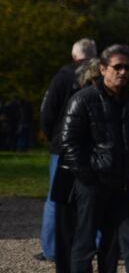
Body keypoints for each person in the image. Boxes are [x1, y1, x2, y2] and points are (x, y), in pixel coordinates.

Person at [58, 44, 129, 273]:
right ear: (103, 68)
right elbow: (68, 143)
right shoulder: (83, 99)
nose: (123, 72)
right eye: (117, 67)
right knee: (85, 244)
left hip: (125, 184)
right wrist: (88, 175)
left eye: (127, 67)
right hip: (93, 184)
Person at [41, 37, 96, 264]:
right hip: (92, 146)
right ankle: (97, 246)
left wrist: (50, 135)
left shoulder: (62, 76)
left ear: (74, 55)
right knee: (96, 197)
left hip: (62, 144)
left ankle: (52, 249)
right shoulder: (98, 76)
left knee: (56, 199)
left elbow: (48, 111)